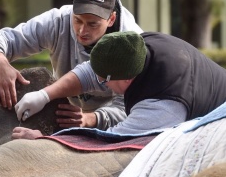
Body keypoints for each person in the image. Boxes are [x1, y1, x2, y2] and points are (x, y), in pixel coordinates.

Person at [0, 0, 143, 135]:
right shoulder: (58, 21)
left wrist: (89, 119)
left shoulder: (133, 45)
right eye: (77, 20)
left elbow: (133, 108)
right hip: (62, 111)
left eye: (92, 24)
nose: (82, 31)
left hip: (113, 126)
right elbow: (1, 38)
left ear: (111, 19)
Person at [14, 31, 226, 136]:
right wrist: (44, 94)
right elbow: (90, 73)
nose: (96, 83)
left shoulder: (162, 106)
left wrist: (47, 139)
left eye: (103, 80)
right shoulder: (138, 44)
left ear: (126, 78)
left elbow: (109, 141)